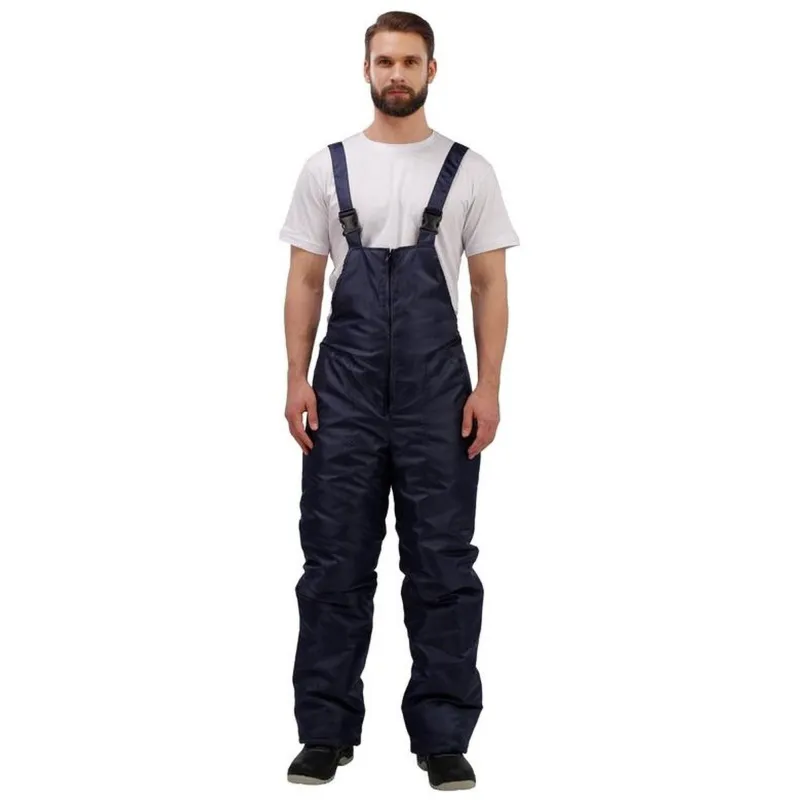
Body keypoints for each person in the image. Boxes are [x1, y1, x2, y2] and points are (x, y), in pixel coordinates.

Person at [279, 11, 519, 791]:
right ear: (366, 69)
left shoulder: (468, 169)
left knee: (443, 566)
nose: (397, 74)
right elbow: (305, 278)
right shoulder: (326, 167)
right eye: (385, 61)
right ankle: (325, 733)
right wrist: (296, 378)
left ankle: (443, 738)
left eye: (410, 62)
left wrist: (488, 386)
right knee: (333, 565)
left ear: (431, 70)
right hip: (342, 393)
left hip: (438, 397)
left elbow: (488, 284)